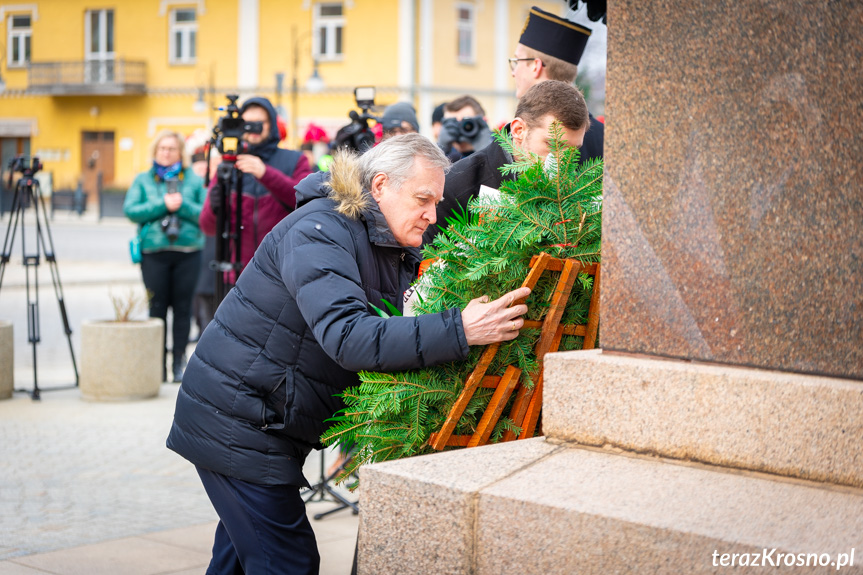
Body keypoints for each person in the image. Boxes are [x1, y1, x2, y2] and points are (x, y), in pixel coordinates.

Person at [166, 133, 531, 574]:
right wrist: (460, 329)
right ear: (380, 186)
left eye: (436, 201)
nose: (432, 215)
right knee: (287, 561)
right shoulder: (321, 229)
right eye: (422, 199)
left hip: (266, 419)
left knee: (240, 560)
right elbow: (349, 337)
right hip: (238, 421)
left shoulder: (387, 242)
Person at [423, 80, 589, 243]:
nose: (563, 161)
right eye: (553, 145)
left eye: (573, 150)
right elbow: (427, 263)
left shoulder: (576, 192)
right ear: (518, 130)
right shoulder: (457, 186)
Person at [123, 130, 206, 382]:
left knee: (183, 310)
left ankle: (178, 364)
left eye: (172, 149)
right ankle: (156, 365)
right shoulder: (143, 179)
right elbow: (131, 210)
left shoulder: (194, 179)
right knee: (156, 308)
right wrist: (163, 204)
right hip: (154, 253)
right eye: (162, 148)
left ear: (181, 152)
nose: (167, 153)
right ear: (155, 152)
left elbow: (205, 214)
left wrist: (182, 205)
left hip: (188, 252)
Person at [199, 96, 311, 280]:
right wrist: (214, 205)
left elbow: (304, 200)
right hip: (238, 274)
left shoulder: (295, 160)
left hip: (284, 270)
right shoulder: (228, 165)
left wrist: (265, 173)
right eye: (247, 123)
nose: (253, 129)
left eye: (260, 123)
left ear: (272, 124)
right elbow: (208, 228)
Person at [510, 5, 604, 164]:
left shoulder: (528, 129)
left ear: (536, 66)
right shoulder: (603, 136)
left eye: (517, 61)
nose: (514, 72)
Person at [438, 95, 493, 162]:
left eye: (466, 124)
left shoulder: (504, 148)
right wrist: (440, 151)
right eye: (452, 124)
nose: (459, 131)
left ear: (484, 122)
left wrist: (488, 151)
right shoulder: (451, 156)